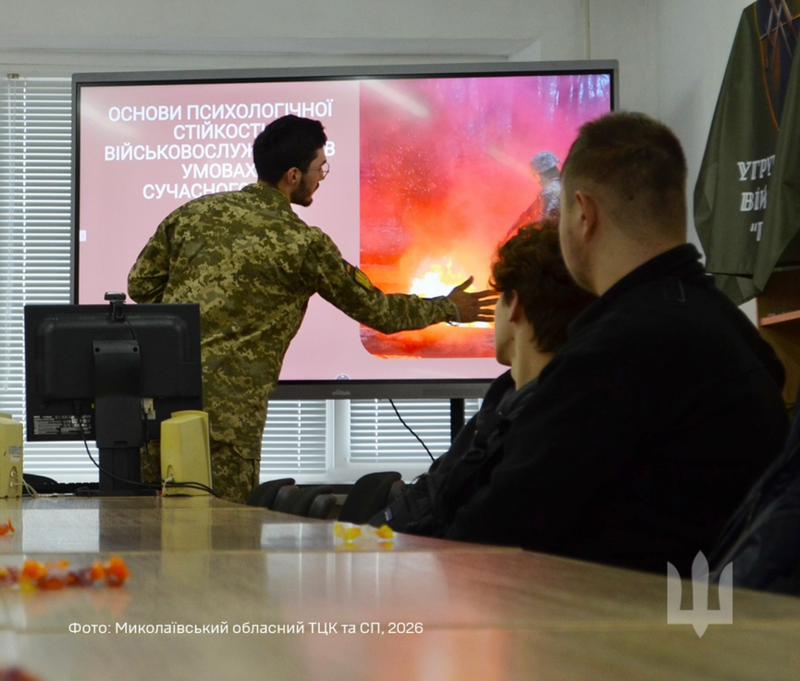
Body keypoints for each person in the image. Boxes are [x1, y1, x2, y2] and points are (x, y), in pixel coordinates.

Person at [404, 111, 788, 575]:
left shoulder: (609, 356)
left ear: (583, 215)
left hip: (617, 613)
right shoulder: (738, 333)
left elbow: (485, 538)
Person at [127, 115, 496, 504]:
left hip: (156, 406)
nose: (322, 176)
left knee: (145, 526)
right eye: (320, 167)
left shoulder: (192, 214)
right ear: (292, 175)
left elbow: (140, 285)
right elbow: (380, 313)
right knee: (223, 532)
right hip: (225, 423)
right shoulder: (302, 244)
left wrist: (193, 317)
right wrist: (448, 307)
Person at [370, 217, 595, 533]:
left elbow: (459, 538)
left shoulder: (527, 437)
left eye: (499, 296)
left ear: (514, 306)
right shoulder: (514, 407)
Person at [508, 151, 562, 236]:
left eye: (535, 176)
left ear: (540, 173)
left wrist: (529, 224)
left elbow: (544, 226)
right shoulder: (564, 182)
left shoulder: (549, 191)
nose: (537, 181)